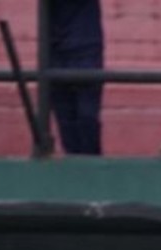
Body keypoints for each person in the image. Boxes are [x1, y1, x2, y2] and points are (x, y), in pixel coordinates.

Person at [50, 0, 102, 156]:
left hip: (85, 47)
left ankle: (90, 166)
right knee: (65, 118)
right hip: (56, 48)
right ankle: (74, 165)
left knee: (87, 117)